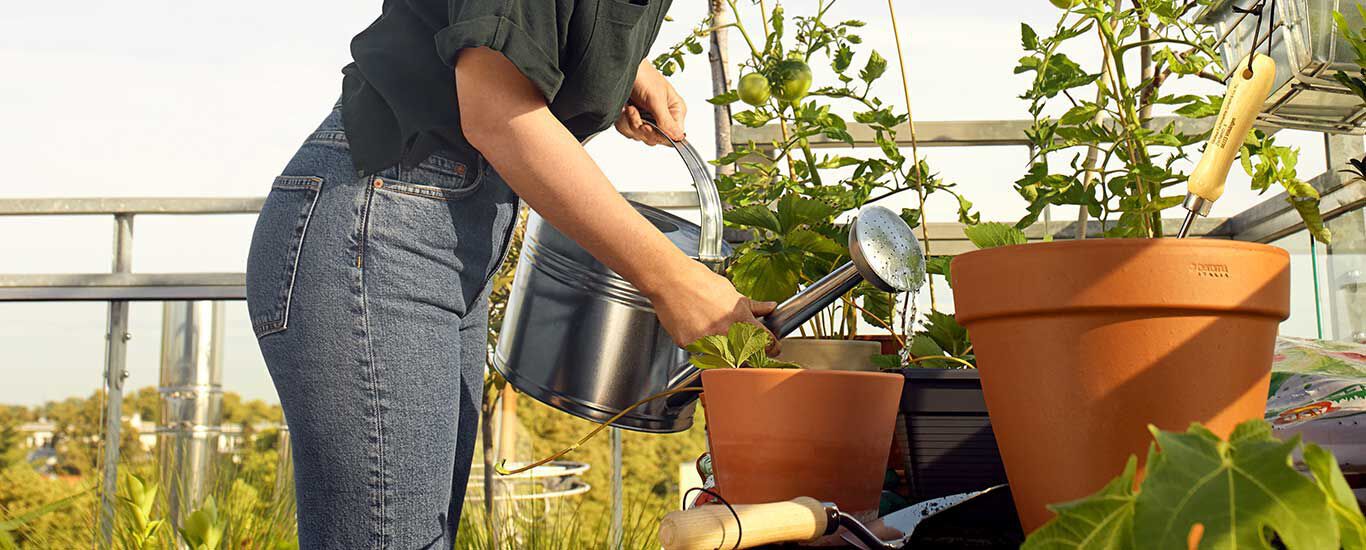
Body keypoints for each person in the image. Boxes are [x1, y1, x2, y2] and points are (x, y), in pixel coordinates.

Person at [244, 0, 775, 547]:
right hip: (377, 226)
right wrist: (675, 281)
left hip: (443, 232)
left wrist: (626, 70)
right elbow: (496, 110)